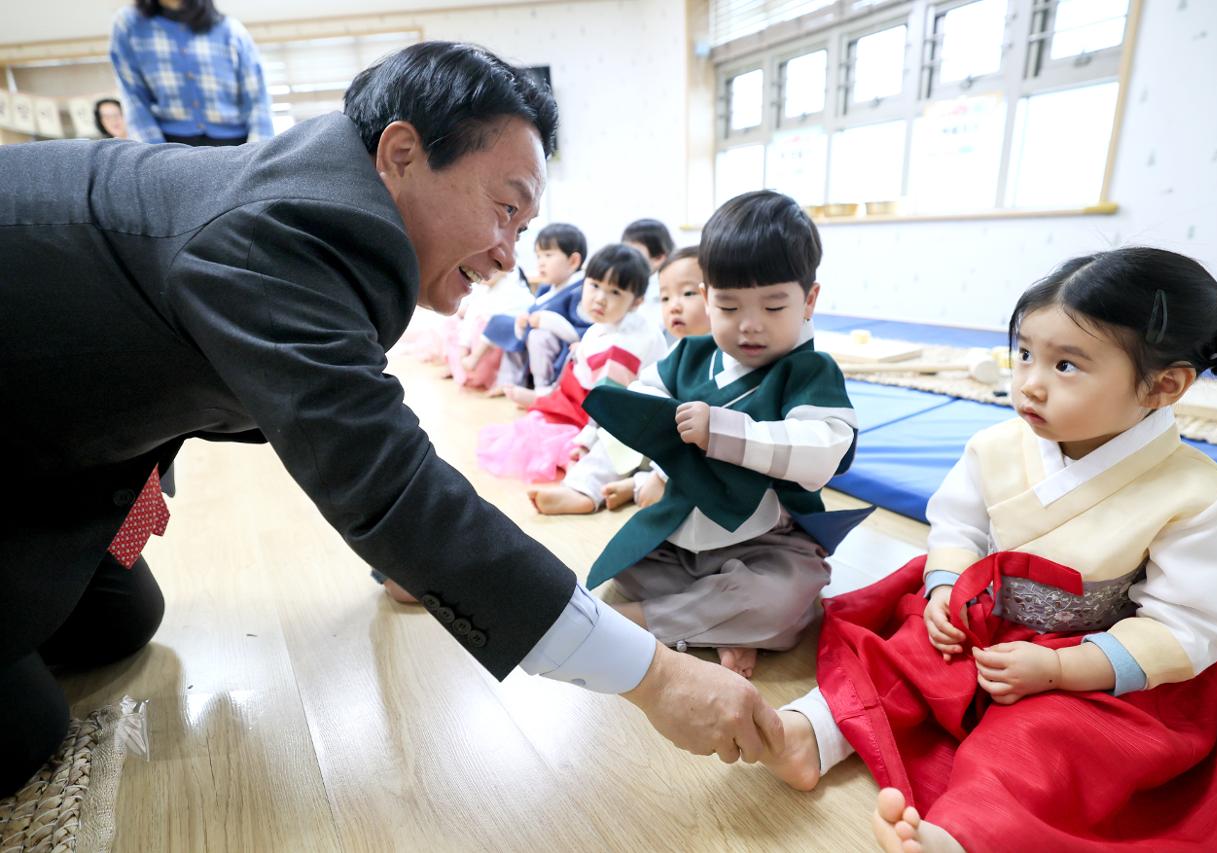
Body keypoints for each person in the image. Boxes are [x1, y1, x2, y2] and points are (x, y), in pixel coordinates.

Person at [0, 41, 781, 799]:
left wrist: (405, 556)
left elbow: (285, 410)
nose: (508, 254)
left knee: (121, 619)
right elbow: (393, 487)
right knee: (25, 727)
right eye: (506, 209)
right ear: (402, 153)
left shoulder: (320, 208)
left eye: (523, 229)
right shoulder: (283, 233)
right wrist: (656, 675)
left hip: (55, 435)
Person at [758, 248, 1217, 853]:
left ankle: (961, 834)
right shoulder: (997, 446)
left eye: (1066, 365)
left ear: (1163, 385)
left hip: (1096, 664)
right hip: (986, 621)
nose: (1030, 382)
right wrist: (946, 588)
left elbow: (1186, 625)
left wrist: (1063, 669)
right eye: (1025, 354)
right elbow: (958, 528)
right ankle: (814, 733)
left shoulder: (1197, 495)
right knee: (906, 652)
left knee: (1046, 737)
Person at [580, 192, 870, 680]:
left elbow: (826, 448)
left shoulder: (810, 371)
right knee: (629, 566)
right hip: (685, 535)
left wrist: (727, 432)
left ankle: (649, 623)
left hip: (768, 544)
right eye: (729, 306)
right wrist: (649, 449)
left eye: (774, 306)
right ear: (707, 295)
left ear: (809, 300)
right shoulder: (690, 355)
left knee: (785, 599)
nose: (750, 326)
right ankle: (721, 626)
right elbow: (646, 399)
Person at [530, 245, 710, 514]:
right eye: (664, 297)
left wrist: (590, 439)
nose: (674, 306)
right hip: (652, 439)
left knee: (622, 435)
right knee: (620, 435)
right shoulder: (676, 349)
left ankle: (586, 488)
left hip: (680, 447)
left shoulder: (631, 343)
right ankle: (630, 482)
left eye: (688, 293)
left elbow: (615, 404)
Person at [478, 243, 666, 483]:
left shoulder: (622, 345)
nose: (600, 299)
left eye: (615, 292)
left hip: (599, 409)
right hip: (584, 394)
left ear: (636, 301)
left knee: (539, 434)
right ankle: (544, 399)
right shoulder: (612, 324)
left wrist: (586, 442)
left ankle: (569, 450)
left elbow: (609, 402)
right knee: (535, 423)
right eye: (595, 286)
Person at [109, 0, 274, 146]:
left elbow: (258, 97)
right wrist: (153, 156)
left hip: (236, 145)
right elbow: (133, 97)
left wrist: (258, 155)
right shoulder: (129, 24)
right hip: (168, 145)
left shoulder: (230, 29)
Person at [484, 223, 591, 399]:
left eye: (548, 255)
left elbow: (581, 333)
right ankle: (508, 382)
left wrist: (547, 322)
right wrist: (523, 321)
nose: (541, 262)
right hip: (536, 341)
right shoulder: (546, 289)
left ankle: (543, 389)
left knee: (539, 336)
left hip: (562, 349)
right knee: (507, 326)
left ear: (573, 261)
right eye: (538, 256)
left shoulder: (581, 291)